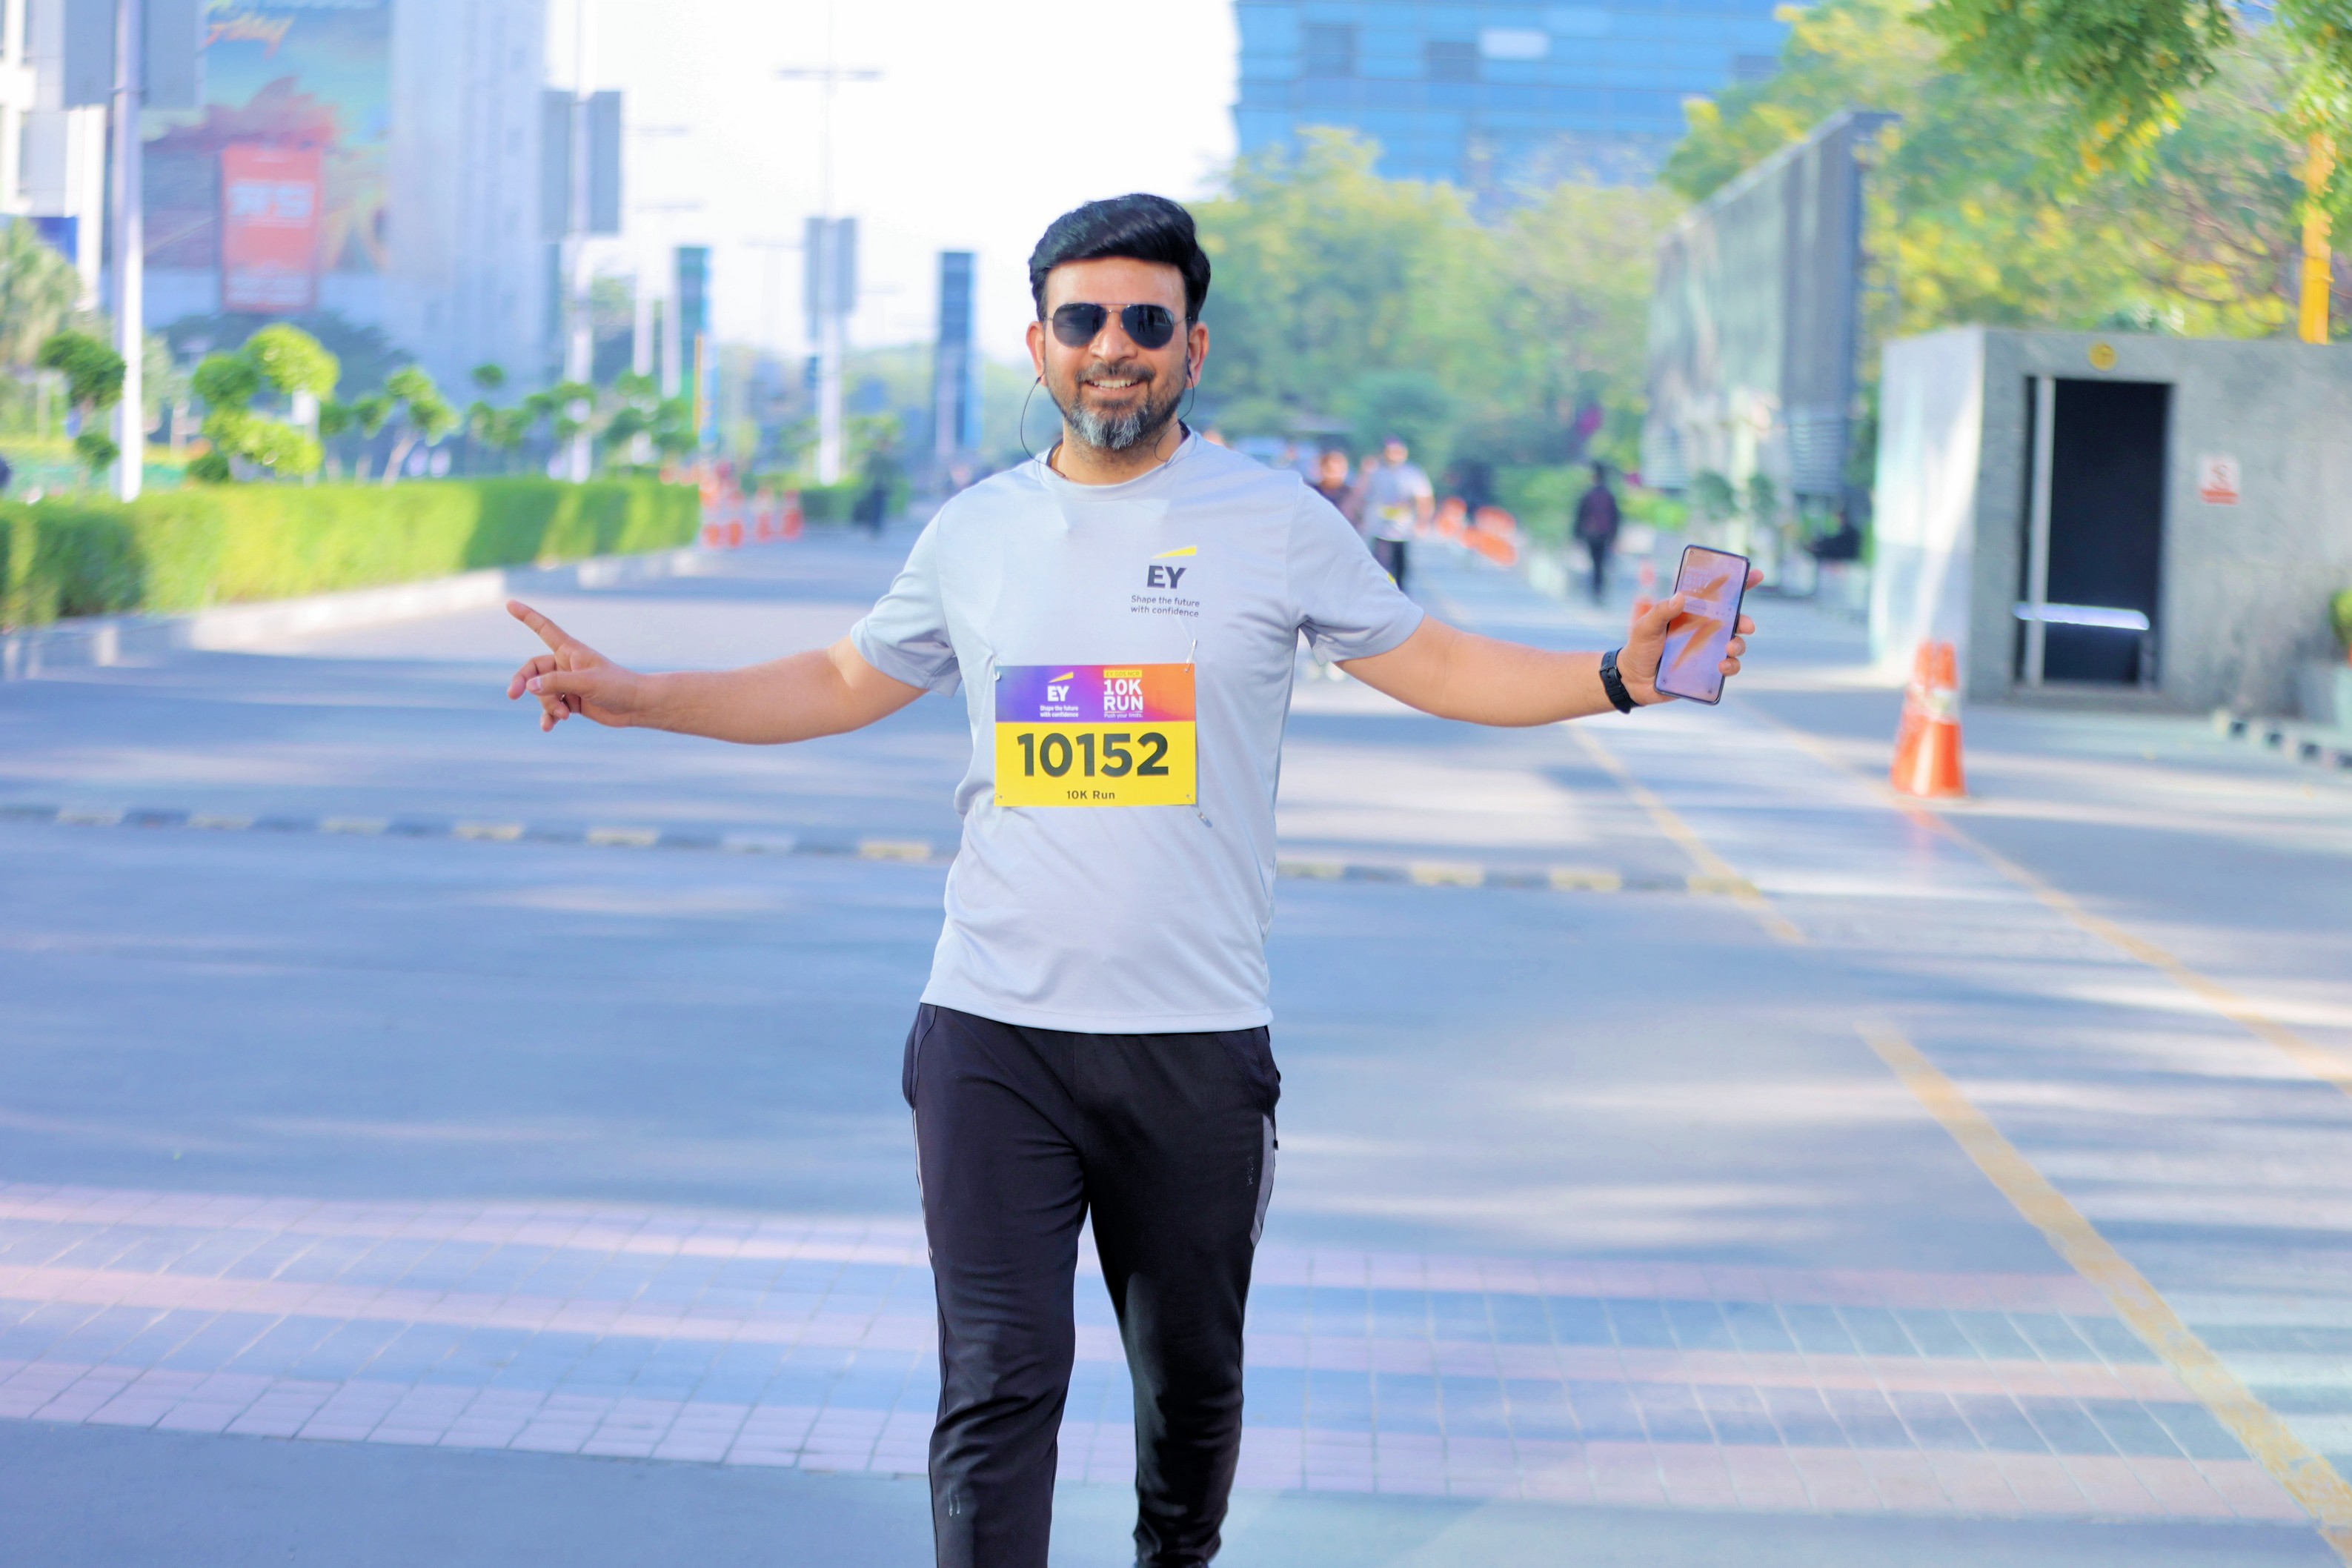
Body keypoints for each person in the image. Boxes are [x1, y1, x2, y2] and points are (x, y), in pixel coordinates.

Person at [502, 193, 1757, 1568]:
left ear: (1191, 348)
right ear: (1037, 344)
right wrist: (637, 694)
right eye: (1083, 320)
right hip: (992, 1031)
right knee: (997, 1377)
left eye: (1144, 322)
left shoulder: (1273, 522)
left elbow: (1440, 662)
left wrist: (1615, 678)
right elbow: (837, 678)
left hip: (1191, 1044)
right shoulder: (974, 531)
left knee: (1190, 1388)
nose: (1113, 347)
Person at [1360, 436, 1432, 589]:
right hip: (1379, 528)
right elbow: (1361, 494)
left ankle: (1399, 593)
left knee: (1401, 566)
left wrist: (1423, 521)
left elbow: (1424, 499)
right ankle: (1380, 591)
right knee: (1380, 563)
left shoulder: (1413, 473)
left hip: (1403, 528)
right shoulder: (1375, 472)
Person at [1572, 460, 1622, 605]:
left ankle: (1595, 591)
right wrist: (1614, 535)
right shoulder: (1609, 495)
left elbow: (1581, 515)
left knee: (1595, 563)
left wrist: (1577, 535)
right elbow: (1616, 517)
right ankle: (1598, 591)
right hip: (1604, 535)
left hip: (1591, 534)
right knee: (1600, 564)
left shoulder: (1589, 494)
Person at [1311, 445, 1363, 536]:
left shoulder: (1352, 496)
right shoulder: (1310, 493)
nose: (1335, 473)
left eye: (1340, 469)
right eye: (1331, 469)